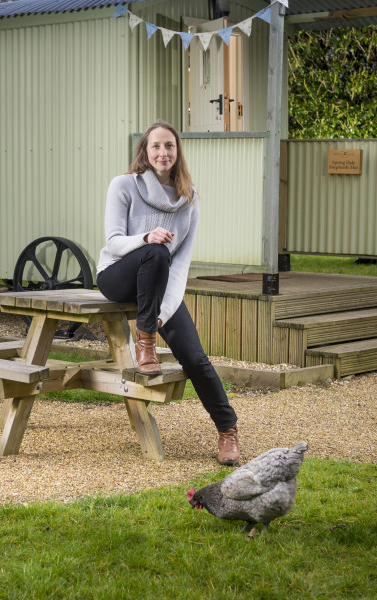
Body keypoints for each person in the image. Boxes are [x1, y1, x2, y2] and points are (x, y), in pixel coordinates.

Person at [95, 120, 240, 465]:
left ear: (178, 152)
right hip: (117, 276)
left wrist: (164, 310)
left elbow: (181, 264)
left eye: (169, 146)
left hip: (158, 288)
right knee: (157, 251)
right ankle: (145, 341)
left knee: (196, 358)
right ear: (145, 151)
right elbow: (114, 243)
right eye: (156, 146)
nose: (163, 152)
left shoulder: (189, 198)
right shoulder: (124, 185)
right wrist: (146, 238)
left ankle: (228, 430)